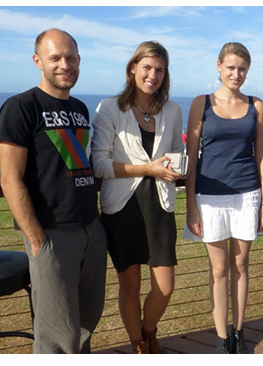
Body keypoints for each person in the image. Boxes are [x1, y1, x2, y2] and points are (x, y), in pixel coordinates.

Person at [0, 28, 107, 353]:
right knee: (58, 335)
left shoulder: (80, 109)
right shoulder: (20, 107)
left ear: (79, 60)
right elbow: (9, 178)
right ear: (38, 61)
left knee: (86, 323)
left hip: (90, 229)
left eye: (70, 57)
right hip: (51, 236)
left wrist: (95, 229)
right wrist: (36, 239)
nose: (64, 64)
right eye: (55, 57)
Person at [91, 41, 183, 354]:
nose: (152, 75)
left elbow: (177, 152)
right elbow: (98, 164)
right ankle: (139, 346)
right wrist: (148, 168)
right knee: (129, 286)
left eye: (159, 69)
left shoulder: (172, 109)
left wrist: (175, 168)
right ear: (133, 69)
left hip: (159, 205)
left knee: (165, 287)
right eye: (147, 67)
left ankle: (148, 330)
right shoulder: (109, 108)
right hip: (122, 207)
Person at [183, 42, 263, 354]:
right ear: (218, 66)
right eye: (231, 67)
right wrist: (191, 204)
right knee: (219, 270)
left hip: (247, 195)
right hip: (209, 197)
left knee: (241, 264)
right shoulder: (201, 103)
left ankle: (239, 332)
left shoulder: (256, 105)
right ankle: (222, 338)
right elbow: (191, 158)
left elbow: (261, 155)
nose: (237, 74)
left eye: (243, 69)